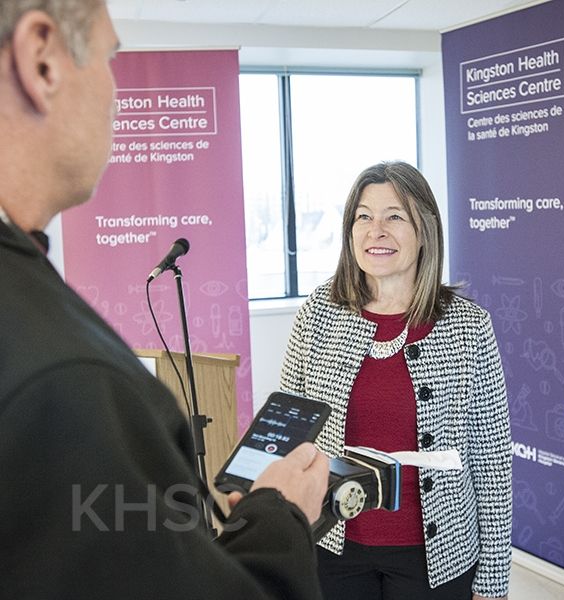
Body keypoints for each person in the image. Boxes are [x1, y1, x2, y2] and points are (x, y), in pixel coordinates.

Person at [0, 2, 329, 598]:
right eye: (108, 58)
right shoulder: (69, 383)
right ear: (41, 59)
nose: (114, 94)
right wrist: (280, 511)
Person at [280, 160, 512, 600]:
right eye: (363, 216)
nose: (376, 231)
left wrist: (493, 580)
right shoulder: (318, 313)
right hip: (331, 547)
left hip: (436, 556)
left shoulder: (467, 326)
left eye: (394, 217)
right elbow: (292, 435)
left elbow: (492, 462)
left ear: (423, 229)